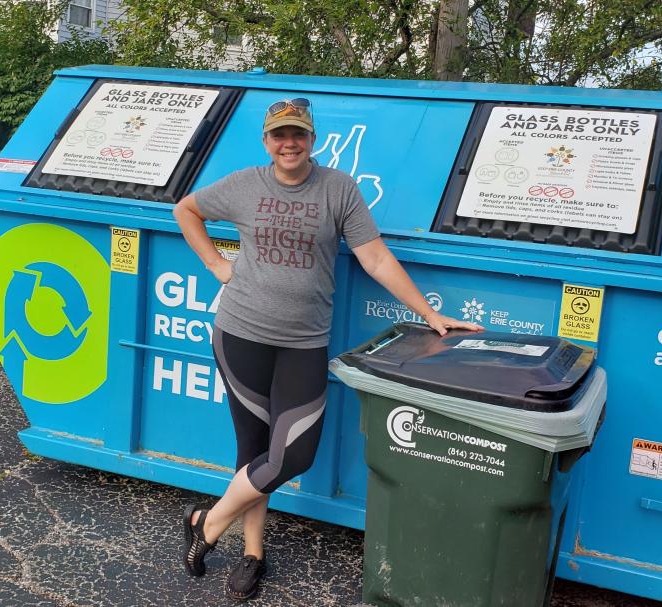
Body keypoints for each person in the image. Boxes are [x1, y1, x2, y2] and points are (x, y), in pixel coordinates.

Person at [173, 97, 483, 601]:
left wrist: (429, 314)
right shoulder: (245, 184)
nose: (288, 143)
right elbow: (185, 209)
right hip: (240, 335)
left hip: (303, 343)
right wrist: (215, 264)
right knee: (253, 451)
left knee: (293, 454)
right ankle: (253, 554)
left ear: (312, 139)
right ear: (267, 142)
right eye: (279, 135)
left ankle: (206, 522)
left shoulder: (338, 189)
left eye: (297, 134)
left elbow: (376, 257)